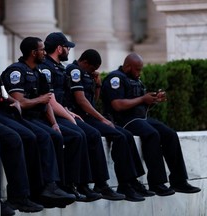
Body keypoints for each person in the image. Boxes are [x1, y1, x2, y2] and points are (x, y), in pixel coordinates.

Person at [0, 25, 75, 209]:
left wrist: (8, 101)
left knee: (46, 135)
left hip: (0, 110)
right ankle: (22, 195)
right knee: (21, 138)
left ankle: (50, 187)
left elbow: (0, 90)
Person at [0, 36, 99, 203]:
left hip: (39, 117)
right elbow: (20, 103)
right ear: (33, 52)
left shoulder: (38, 72)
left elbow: (47, 103)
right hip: (23, 117)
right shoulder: (16, 70)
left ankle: (59, 185)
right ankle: (45, 187)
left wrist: (54, 124)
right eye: (41, 50)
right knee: (44, 137)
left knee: (57, 134)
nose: (44, 53)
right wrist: (40, 101)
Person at [39, 32, 126, 202]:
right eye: (66, 47)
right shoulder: (46, 68)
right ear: (59, 48)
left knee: (91, 134)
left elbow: (61, 99)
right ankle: (73, 184)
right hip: (49, 115)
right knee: (80, 134)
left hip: (62, 112)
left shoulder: (59, 68)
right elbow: (50, 100)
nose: (69, 51)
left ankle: (95, 183)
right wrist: (70, 117)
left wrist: (69, 113)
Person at [100, 52, 201, 196]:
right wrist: (142, 99)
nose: (139, 72)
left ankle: (179, 181)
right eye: (137, 69)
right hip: (124, 121)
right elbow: (117, 105)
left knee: (170, 134)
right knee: (152, 135)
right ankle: (156, 183)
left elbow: (141, 104)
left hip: (141, 118)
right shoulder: (115, 78)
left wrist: (153, 100)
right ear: (127, 66)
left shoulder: (136, 79)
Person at [65, 49, 156, 201]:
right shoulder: (74, 70)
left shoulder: (85, 73)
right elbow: (81, 101)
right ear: (85, 63)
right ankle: (107, 184)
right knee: (116, 136)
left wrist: (98, 86)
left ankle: (132, 181)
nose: (94, 71)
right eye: (93, 68)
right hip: (79, 117)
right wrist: (102, 119)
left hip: (88, 117)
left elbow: (92, 100)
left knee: (125, 135)